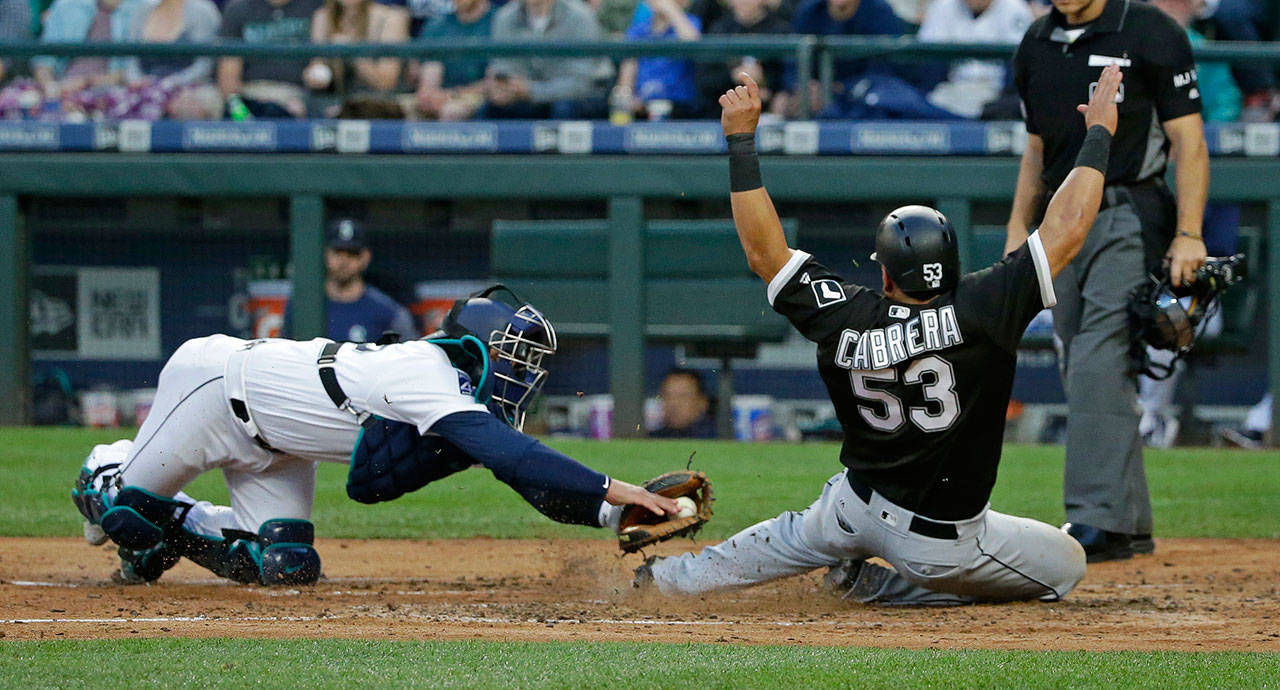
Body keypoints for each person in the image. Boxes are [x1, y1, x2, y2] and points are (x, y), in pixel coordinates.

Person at [636, 66, 1122, 604]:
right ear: (953, 266)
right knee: (1066, 566)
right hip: (939, 545)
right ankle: (886, 588)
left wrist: (741, 140)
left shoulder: (845, 311)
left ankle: (668, 580)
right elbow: (1067, 228)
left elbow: (763, 253)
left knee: (791, 535)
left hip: (852, 508)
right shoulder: (987, 303)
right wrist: (1099, 132)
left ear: (886, 274)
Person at [72, 288, 681, 585]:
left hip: (282, 446)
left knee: (286, 568)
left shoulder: (455, 399)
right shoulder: (425, 371)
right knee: (122, 518)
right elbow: (515, 456)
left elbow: (520, 475)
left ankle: (176, 525)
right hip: (213, 389)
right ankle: (108, 468)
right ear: (475, 348)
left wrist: (609, 514)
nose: (521, 372)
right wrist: (612, 486)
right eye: (512, 356)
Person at [1008, 0, 1210, 562]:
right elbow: (1036, 148)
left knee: (1099, 356)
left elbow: (1189, 142)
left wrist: (1189, 233)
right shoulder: (1036, 42)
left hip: (1128, 207)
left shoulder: (1149, 29)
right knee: (1081, 359)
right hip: (1057, 216)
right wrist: (1016, 228)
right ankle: (1129, 523)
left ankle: (1093, 518)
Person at [1136, 0, 1242, 448]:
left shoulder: (1201, 170)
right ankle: (1129, 419)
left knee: (1169, 308)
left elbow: (1215, 268)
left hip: (1193, 303)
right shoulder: (1133, 176)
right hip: (1130, 291)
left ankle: (1151, 424)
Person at [484, 0, 611, 119]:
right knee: (492, 108)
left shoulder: (580, 16)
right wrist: (502, 88)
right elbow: (504, 69)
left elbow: (582, 83)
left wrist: (532, 90)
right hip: (523, 96)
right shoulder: (505, 17)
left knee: (563, 109)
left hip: (578, 98)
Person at [915, 0, 1032, 119]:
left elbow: (1022, 66)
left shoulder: (1013, 7)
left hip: (997, 92)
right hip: (953, 90)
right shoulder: (944, 6)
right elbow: (928, 63)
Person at [306, 217, 416, 343]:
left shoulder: (388, 312)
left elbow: (409, 359)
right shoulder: (304, 306)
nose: (344, 261)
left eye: (352, 253)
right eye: (337, 252)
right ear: (326, 254)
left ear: (365, 257)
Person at [217, 0, 323, 118]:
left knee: (294, 109)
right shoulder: (238, 8)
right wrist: (241, 115)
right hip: (249, 92)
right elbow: (228, 76)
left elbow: (318, 65)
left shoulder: (315, 6)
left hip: (294, 93)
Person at [123, 0, 223, 119]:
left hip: (188, 85)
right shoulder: (142, 10)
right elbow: (131, 59)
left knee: (189, 105)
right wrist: (136, 80)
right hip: (144, 87)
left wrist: (170, 84)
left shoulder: (203, 11)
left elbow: (204, 65)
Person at [696, 0, 792, 117]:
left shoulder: (780, 30)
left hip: (770, 110)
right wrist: (733, 75)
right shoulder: (719, 30)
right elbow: (706, 79)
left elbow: (789, 73)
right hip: (723, 110)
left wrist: (770, 86)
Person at [614, 0, 702, 120]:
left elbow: (693, 44)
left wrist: (671, 11)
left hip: (677, 107)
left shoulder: (690, 23)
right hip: (641, 106)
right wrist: (628, 98)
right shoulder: (639, 29)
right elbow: (626, 76)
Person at [304, 0, 410, 96]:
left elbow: (386, 83)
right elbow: (316, 66)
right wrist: (314, 77)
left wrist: (351, 51)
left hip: (380, 104)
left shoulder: (392, 18)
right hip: (334, 102)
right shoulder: (322, 16)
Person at [414, 0, 493, 121]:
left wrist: (452, 95)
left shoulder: (498, 20)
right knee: (400, 109)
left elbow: (494, 81)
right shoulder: (438, 23)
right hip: (443, 96)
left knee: (452, 111)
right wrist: (429, 96)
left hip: (481, 97)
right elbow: (430, 74)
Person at [650, 368, 716, 439]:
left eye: (682, 396)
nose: (673, 404)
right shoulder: (651, 440)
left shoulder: (719, 440)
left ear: (702, 402)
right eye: (667, 395)